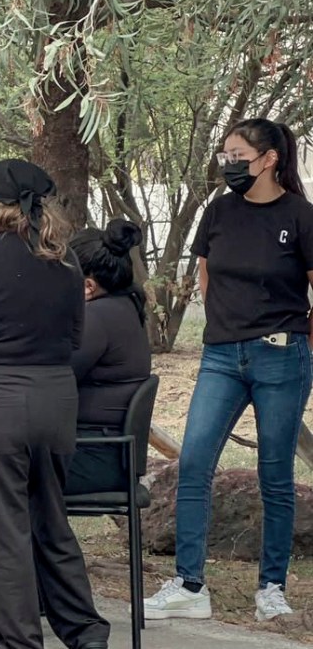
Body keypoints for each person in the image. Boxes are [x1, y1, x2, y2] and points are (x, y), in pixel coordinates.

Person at [143, 118, 313, 622]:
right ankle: (190, 585)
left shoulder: (300, 215)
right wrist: (222, 320)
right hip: (222, 354)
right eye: (224, 155)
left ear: (269, 159)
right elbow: (205, 268)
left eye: (238, 155)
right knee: (194, 463)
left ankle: (271, 588)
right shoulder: (219, 210)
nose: (229, 164)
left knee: (274, 475)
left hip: (282, 355)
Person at [0, 218, 152, 635]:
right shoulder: (123, 310)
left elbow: (45, 372)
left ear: (88, 285)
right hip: (99, 448)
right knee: (33, 508)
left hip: (93, 454)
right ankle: (46, 610)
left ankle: (19, 605)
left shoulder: (97, 321)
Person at [0, 159, 109, 649]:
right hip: (56, 401)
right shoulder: (68, 262)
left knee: (2, 533)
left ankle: (18, 640)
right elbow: (76, 337)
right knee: (51, 520)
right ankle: (85, 632)